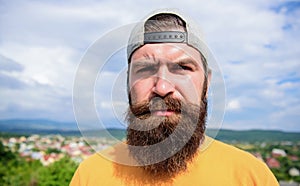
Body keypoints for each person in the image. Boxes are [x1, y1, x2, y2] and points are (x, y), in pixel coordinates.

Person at [70, 9, 279, 186]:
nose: (162, 87)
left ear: (206, 84)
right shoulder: (90, 176)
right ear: (127, 83)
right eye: (145, 69)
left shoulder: (252, 177)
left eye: (182, 68)